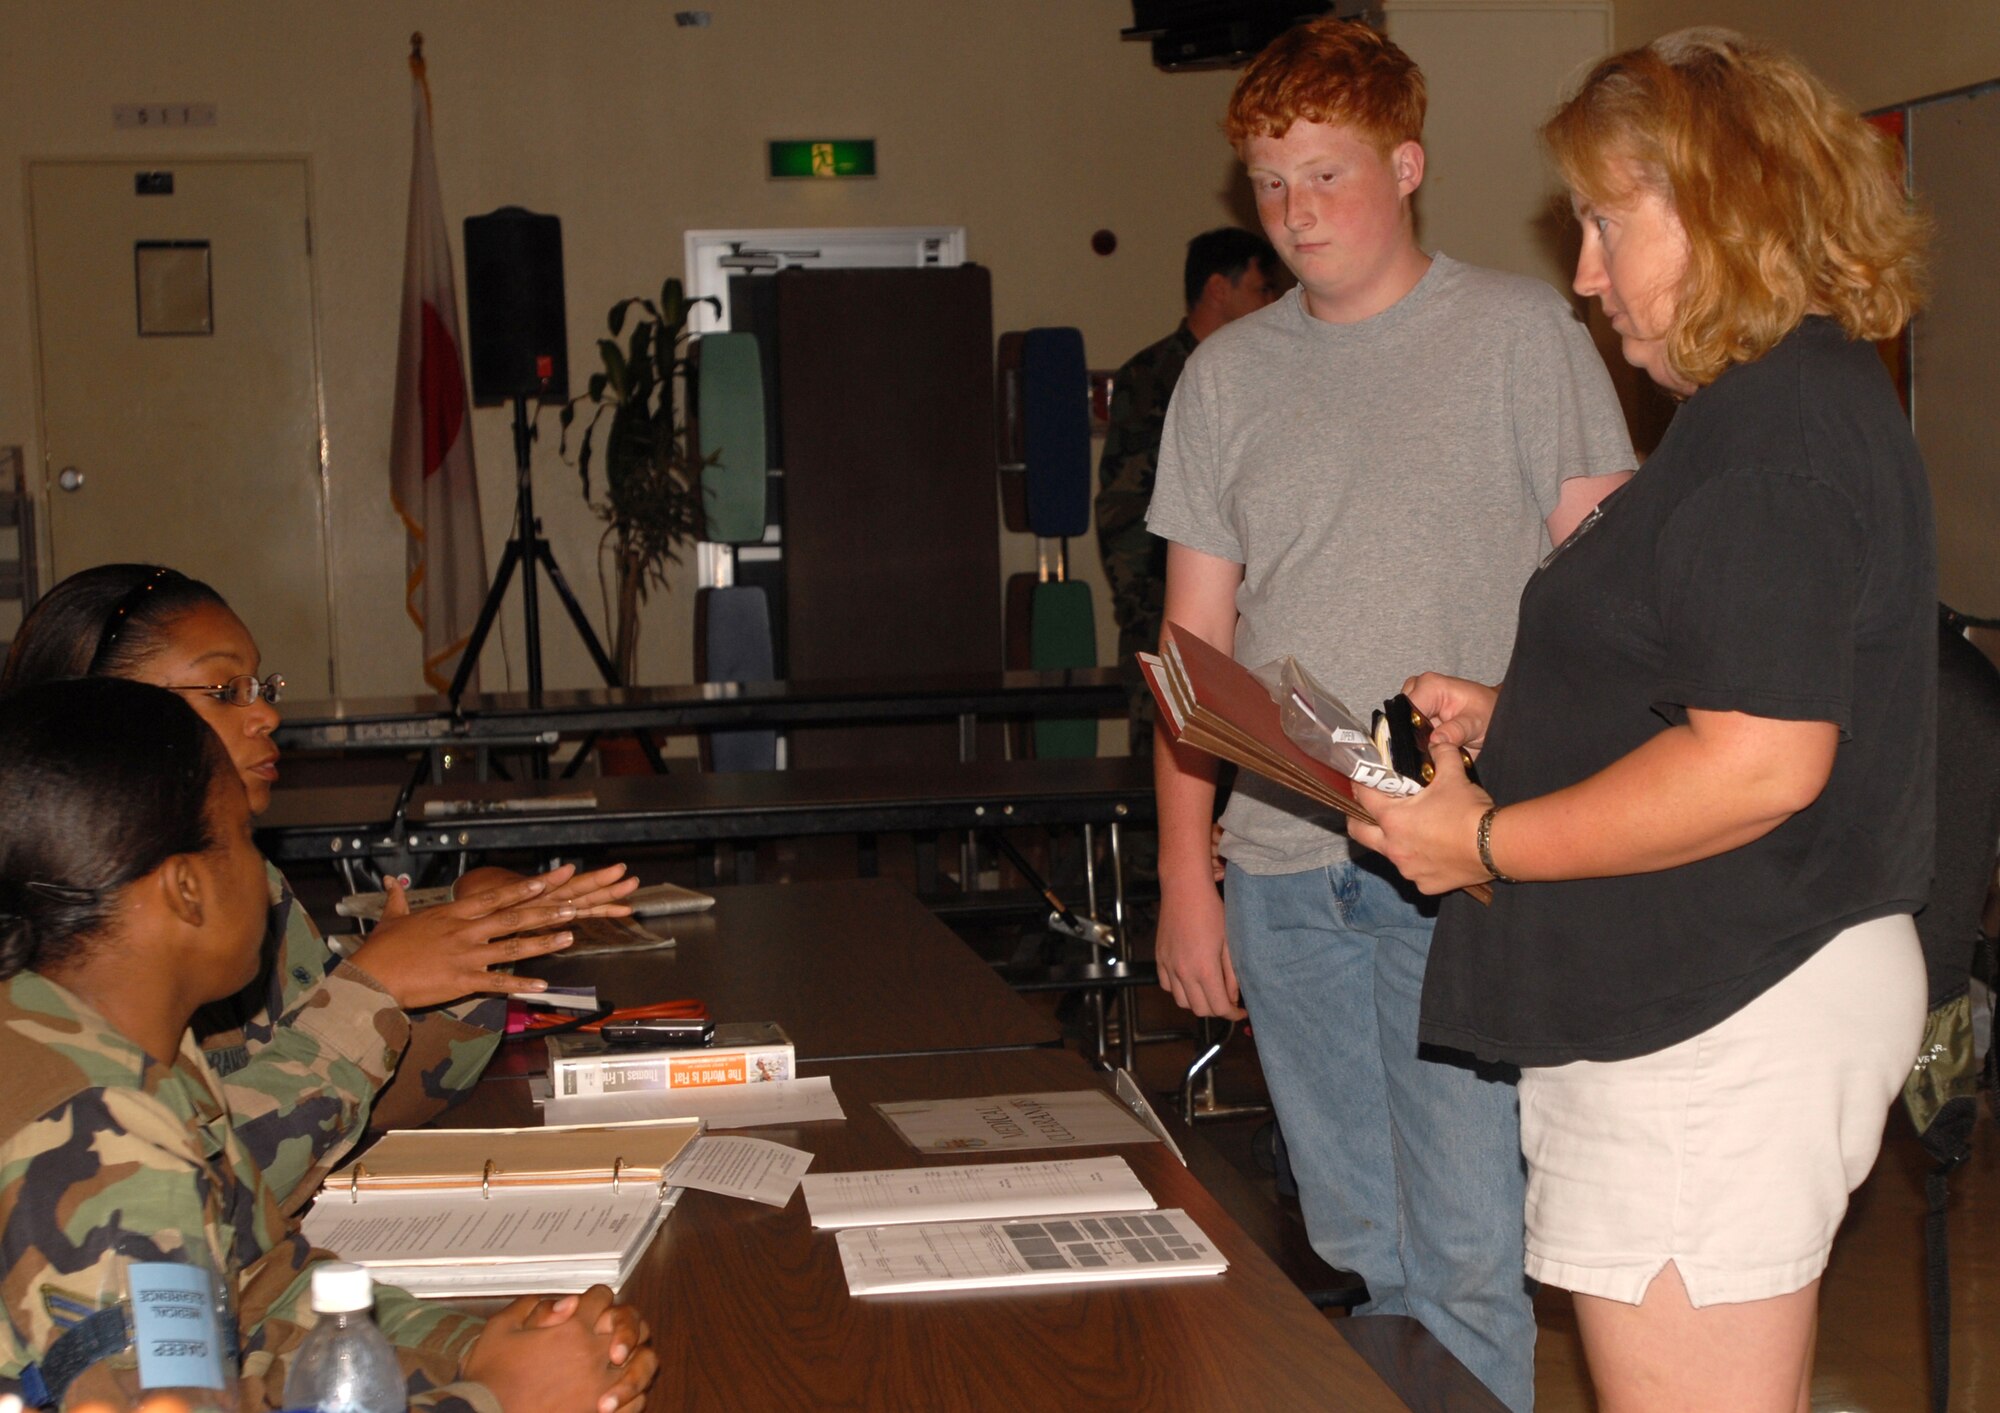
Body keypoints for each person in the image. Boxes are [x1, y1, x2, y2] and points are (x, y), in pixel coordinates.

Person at [1351, 28, 1933, 1412]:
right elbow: (1725, 685)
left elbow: (1757, 763)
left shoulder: (1772, 441)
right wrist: (1528, 711)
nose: (1587, 270)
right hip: (1724, 1000)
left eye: (1610, 225)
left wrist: (1487, 842)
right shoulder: (1776, 409)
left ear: (1724, 210)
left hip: (1714, 1019)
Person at [1144, 18, 1636, 1410]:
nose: (1296, 212)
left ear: (1407, 164)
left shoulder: (1523, 335)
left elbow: (1611, 615)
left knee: (1472, 1249)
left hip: (1459, 868)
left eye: (1327, 174)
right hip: (1286, 873)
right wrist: (1189, 873)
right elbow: (1193, 652)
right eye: (1270, 184)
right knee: (1361, 1244)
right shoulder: (1225, 377)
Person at [0, 677, 657, 1412]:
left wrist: (470, 1348)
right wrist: (496, 1402)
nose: (266, 870)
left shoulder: (117, 1049)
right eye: (245, 840)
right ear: (188, 889)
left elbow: (257, 1292)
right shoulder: (100, 1135)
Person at [0, 564, 639, 1216]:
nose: (267, 713)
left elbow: (359, 1100)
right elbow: (181, 1195)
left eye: (261, 685)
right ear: (93, 715)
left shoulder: (240, 885)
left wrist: (477, 929)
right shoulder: (61, 936)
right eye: (226, 689)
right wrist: (372, 991)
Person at [1096, 227, 1281, 759]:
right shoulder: (1154, 377)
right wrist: (1150, 613)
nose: (1271, 302)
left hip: (1248, 619)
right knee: (1169, 770)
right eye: (1262, 289)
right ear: (1219, 289)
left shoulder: (1261, 376)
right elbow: (1123, 511)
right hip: (1170, 612)